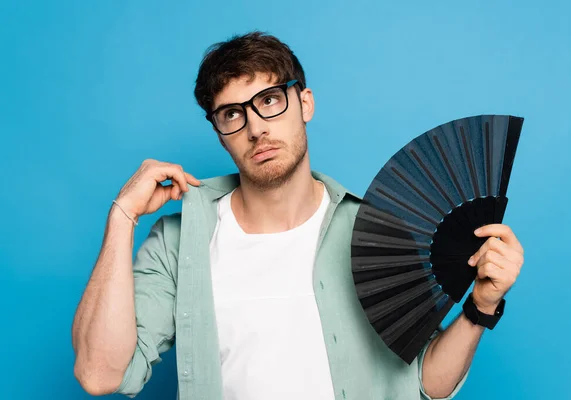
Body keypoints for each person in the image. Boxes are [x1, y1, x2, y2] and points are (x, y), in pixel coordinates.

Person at [71, 31, 525, 400]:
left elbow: (424, 384)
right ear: (220, 133)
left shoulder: (377, 232)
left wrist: (480, 306)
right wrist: (122, 217)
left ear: (304, 103)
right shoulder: (178, 241)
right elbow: (99, 375)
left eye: (269, 100)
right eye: (232, 114)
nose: (256, 128)